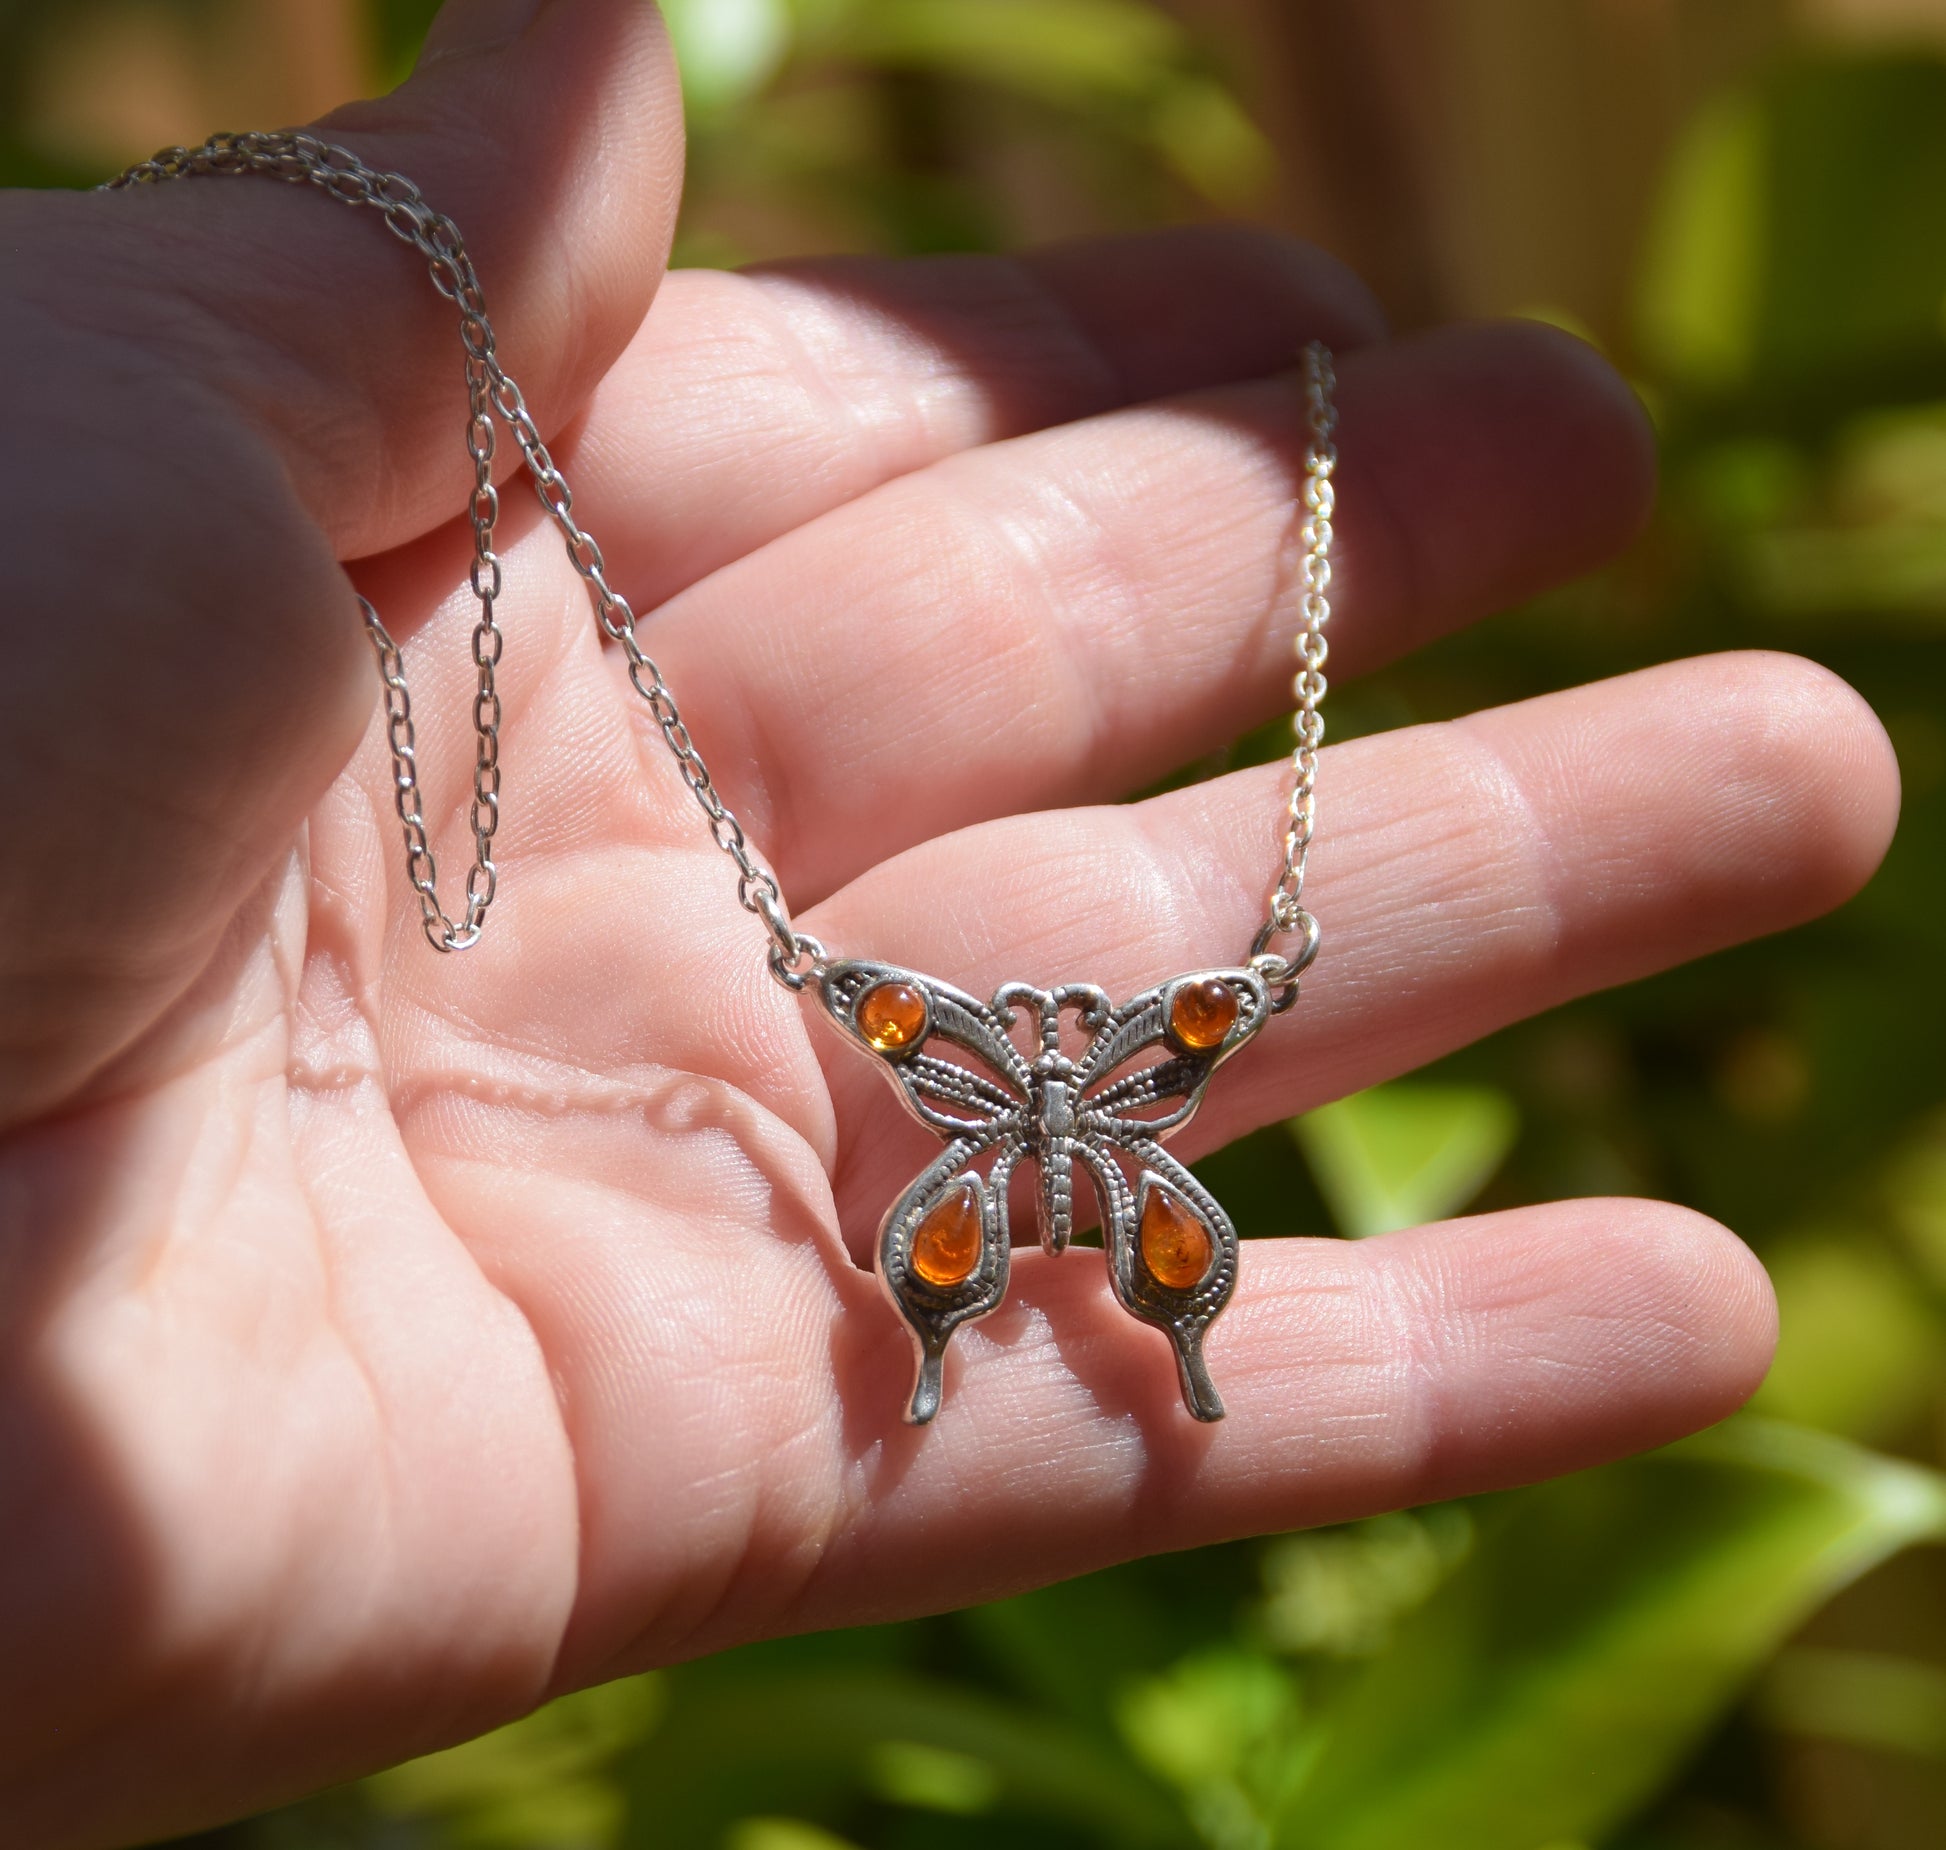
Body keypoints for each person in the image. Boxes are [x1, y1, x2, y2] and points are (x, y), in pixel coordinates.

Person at [0, 1, 1900, 1843]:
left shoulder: (977, 1062)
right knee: (1009, 1245)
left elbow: (925, 999)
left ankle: (1117, 1346)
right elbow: (1036, 1002)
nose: (1065, 1063)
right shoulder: (1072, 1061)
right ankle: (973, 1346)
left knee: (1076, 1242)